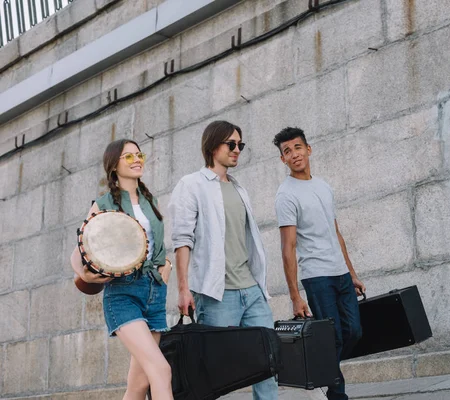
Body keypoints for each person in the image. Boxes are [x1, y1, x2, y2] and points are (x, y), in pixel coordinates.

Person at [168, 120, 278, 400]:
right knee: (212, 371)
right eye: (231, 144)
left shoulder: (239, 189)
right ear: (212, 145)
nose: (237, 149)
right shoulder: (191, 184)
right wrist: (183, 288)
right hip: (218, 294)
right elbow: (182, 239)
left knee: (269, 362)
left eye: (240, 145)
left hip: (252, 290)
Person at [70, 139, 173, 400]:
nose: (137, 159)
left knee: (138, 385)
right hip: (123, 293)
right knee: (161, 370)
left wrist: (167, 265)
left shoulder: (151, 201)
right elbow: (77, 251)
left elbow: (158, 246)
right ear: (114, 165)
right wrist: (84, 274)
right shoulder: (104, 204)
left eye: (139, 155)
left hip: (155, 293)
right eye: (128, 157)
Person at [273, 127, 366, 400]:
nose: (294, 154)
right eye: (287, 151)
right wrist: (294, 296)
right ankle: (335, 394)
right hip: (317, 277)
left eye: (297, 147)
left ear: (308, 149)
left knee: (354, 332)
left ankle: (321, 376)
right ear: (283, 160)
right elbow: (287, 247)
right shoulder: (286, 195)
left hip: (340, 273)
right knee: (334, 336)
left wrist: (352, 273)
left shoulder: (323, 186)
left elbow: (335, 232)